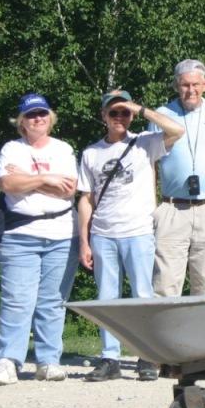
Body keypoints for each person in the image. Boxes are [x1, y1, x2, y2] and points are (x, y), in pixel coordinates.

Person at [77, 89, 185, 382]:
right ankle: (109, 358)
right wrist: (84, 241)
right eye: (114, 112)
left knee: (142, 296)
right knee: (107, 299)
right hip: (103, 234)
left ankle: (146, 357)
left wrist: (140, 109)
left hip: (137, 232)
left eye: (124, 113)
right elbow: (85, 199)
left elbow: (177, 129)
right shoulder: (91, 153)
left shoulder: (144, 143)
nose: (120, 118)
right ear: (104, 117)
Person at [0, 93, 79, 386]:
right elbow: (6, 183)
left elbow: (67, 190)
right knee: (17, 300)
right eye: (31, 115)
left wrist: (27, 180)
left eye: (42, 114)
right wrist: (44, 179)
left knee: (53, 301)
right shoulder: (11, 149)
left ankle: (48, 361)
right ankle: (8, 361)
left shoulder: (63, 149)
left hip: (62, 234)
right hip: (20, 235)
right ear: (21, 122)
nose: (37, 119)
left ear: (50, 118)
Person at [151, 59, 205, 297]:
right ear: (176, 86)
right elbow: (150, 164)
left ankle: (203, 335)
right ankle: (166, 335)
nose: (191, 90)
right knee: (165, 285)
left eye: (196, 84)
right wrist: (153, 207)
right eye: (185, 85)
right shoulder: (161, 115)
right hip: (172, 209)